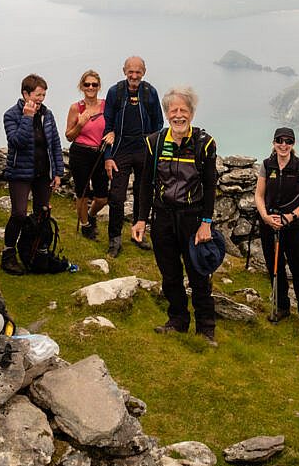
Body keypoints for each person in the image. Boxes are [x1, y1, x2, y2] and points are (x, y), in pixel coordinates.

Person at [132, 86, 219, 346]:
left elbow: (210, 186)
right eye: (173, 110)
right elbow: (145, 184)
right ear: (167, 114)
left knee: (198, 274)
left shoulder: (205, 144)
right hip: (163, 217)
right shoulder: (154, 142)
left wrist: (206, 223)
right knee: (169, 274)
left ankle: (206, 329)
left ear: (191, 114)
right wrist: (140, 219)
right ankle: (178, 321)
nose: (178, 115)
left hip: (193, 219)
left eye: (184, 110)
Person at [1, 74, 64, 275]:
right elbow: (17, 141)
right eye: (38, 95)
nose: (41, 99)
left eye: (43, 95)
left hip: (43, 173)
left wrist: (58, 172)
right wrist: (27, 117)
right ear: (25, 93)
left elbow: (54, 144)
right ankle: (8, 254)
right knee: (19, 214)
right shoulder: (11, 115)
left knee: (42, 214)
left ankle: (37, 253)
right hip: (19, 172)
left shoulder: (48, 115)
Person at [253, 127, 299, 326]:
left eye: (288, 141)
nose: (283, 145)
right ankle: (281, 307)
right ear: (273, 143)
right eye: (279, 140)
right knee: (275, 267)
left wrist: (290, 217)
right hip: (270, 225)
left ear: (293, 145)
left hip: (295, 226)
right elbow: (259, 195)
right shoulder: (267, 165)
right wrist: (265, 217)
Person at [102, 56, 164, 258]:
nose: (134, 75)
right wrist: (108, 157)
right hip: (121, 148)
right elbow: (108, 126)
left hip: (143, 149)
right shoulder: (115, 92)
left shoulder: (150, 93)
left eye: (138, 71)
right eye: (131, 71)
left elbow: (158, 124)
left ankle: (138, 234)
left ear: (144, 72)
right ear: (124, 71)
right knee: (117, 197)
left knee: (142, 193)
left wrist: (153, 149)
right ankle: (114, 240)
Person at [65, 69, 111, 240]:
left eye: (94, 84)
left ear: (99, 86)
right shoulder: (76, 108)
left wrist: (112, 133)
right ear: (81, 86)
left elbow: (112, 126)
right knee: (82, 192)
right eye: (87, 84)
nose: (91, 87)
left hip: (100, 153)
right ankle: (85, 226)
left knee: (102, 198)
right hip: (80, 152)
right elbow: (69, 136)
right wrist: (80, 124)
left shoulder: (107, 105)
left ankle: (91, 215)